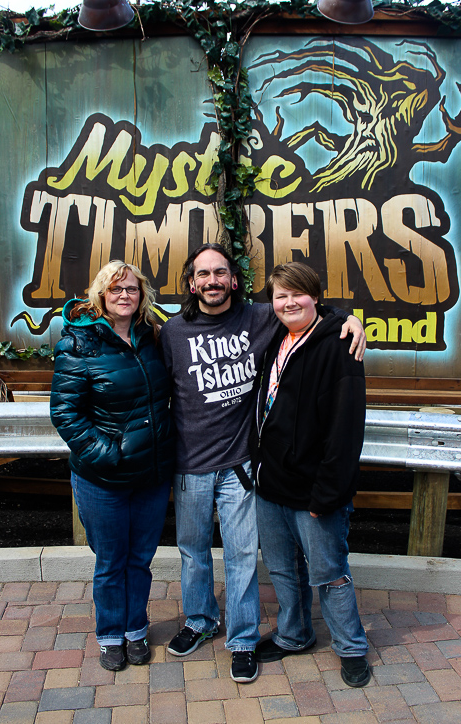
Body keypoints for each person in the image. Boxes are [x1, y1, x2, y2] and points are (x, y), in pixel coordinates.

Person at [159, 243, 365, 684]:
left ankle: (243, 639)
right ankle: (200, 620)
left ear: (234, 279)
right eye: (202, 274)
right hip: (192, 465)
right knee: (193, 554)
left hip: (241, 467)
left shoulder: (260, 318)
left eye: (220, 272)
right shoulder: (173, 332)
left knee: (242, 557)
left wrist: (349, 317)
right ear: (191, 282)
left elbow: (308, 304)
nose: (211, 281)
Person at [50, 261, 175, 672]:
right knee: (110, 561)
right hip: (103, 479)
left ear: (142, 296)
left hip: (151, 477)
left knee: (139, 559)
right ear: (101, 294)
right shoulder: (79, 343)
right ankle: (109, 635)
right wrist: (109, 455)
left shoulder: (152, 337)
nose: (125, 295)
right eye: (116, 289)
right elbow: (66, 413)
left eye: (133, 289)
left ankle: (135, 629)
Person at [250, 262, 370, 687]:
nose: (288, 302)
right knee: (283, 571)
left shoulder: (340, 346)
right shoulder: (275, 340)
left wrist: (328, 495)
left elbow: (346, 429)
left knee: (330, 575)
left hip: (315, 490)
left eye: (296, 293)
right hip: (271, 486)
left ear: (315, 296)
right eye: (279, 296)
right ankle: (294, 634)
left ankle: (352, 647)